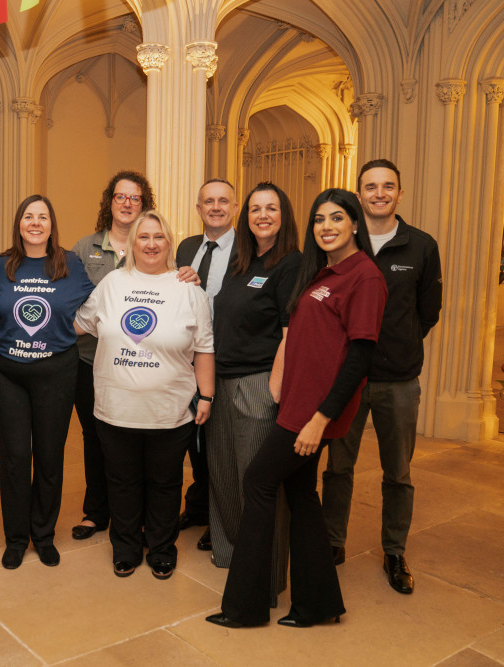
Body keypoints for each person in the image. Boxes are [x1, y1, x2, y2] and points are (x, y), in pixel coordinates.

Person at [207, 188, 387, 628]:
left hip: (312, 413)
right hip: (297, 404)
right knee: (302, 495)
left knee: (258, 482)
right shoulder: (323, 272)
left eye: (337, 218)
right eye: (319, 219)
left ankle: (246, 607)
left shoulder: (365, 277)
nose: (326, 226)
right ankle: (318, 604)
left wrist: (321, 419)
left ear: (355, 224)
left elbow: (360, 359)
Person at [321, 160, 443, 594]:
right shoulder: (342, 240)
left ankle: (394, 551)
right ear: (359, 195)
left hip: (398, 380)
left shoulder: (421, 246)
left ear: (399, 194)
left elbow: (428, 312)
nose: (379, 193)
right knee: (338, 468)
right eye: (370, 187)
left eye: (388, 186)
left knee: (398, 472)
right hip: (347, 380)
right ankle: (332, 543)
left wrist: (398, 343)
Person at [75, 210, 215, 580]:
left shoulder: (189, 289)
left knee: (165, 484)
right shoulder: (111, 283)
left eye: (158, 237)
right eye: (143, 237)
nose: (151, 244)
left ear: (169, 243)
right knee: (122, 483)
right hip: (115, 408)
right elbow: (78, 324)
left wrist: (207, 395)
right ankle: (125, 548)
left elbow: (204, 347)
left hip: (170, 411)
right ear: (132, 243)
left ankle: (162, 548)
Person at [0, 195, 95, 569]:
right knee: (14, 457)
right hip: (7, 372)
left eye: (43, 217)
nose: (35, 223)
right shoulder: (3, 264)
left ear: (51, 225)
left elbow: (98, 305)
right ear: (19, 224)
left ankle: (43, 536)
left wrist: (65, 331)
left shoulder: (70, 263)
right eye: (28, 216)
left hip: (56, 372)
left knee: (49, 456)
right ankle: (16, 538)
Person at [207, 183, 301, 599]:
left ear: (284, 215)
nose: (263, 215)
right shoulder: (241, 262)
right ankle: (232, 555)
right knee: (224, 475)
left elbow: (291, 334)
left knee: (258, 486)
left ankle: (265, 575)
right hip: (223, 380)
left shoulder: (291, 263)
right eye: (255, 209)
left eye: (271, 208)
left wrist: (273, 392)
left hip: (259, 384)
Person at [69, 171, 156, 541]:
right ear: (110, 202)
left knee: (137, 439)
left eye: (135, 197)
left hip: (139, 364)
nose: (127, 203)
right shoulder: (84, 247)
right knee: (95, 437)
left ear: (144, 204)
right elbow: (64, 292)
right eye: (120, 196)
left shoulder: (151, 245)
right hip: (89, 362)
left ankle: (139, 512)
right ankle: (96, 511)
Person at [174, 178, 238, 552]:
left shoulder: (247, 249)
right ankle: (198, 507)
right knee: (195, 442)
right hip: (189, 361)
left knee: (221, 448)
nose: (216, 207)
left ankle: (219, 519)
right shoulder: (186, 247)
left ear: (234, 207)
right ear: (198, 209)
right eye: (208, 202)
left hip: (228, 360)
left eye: (223, 201)